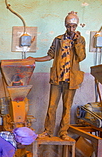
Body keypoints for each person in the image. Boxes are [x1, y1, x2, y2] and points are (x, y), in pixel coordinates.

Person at [27, 11, 86, 141]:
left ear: (76, 27)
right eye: (69, 26)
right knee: (52, 106)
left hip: (71, 79)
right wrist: (35, 59)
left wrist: (77, 42)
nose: (71, 29)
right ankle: (48, 131)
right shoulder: (58, 40)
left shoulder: (80, 40)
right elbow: (50, 55)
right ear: (65, 25)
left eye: (74, 26)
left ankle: (63, 133)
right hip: (57, 78)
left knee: (67, 107)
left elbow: (81, 57)